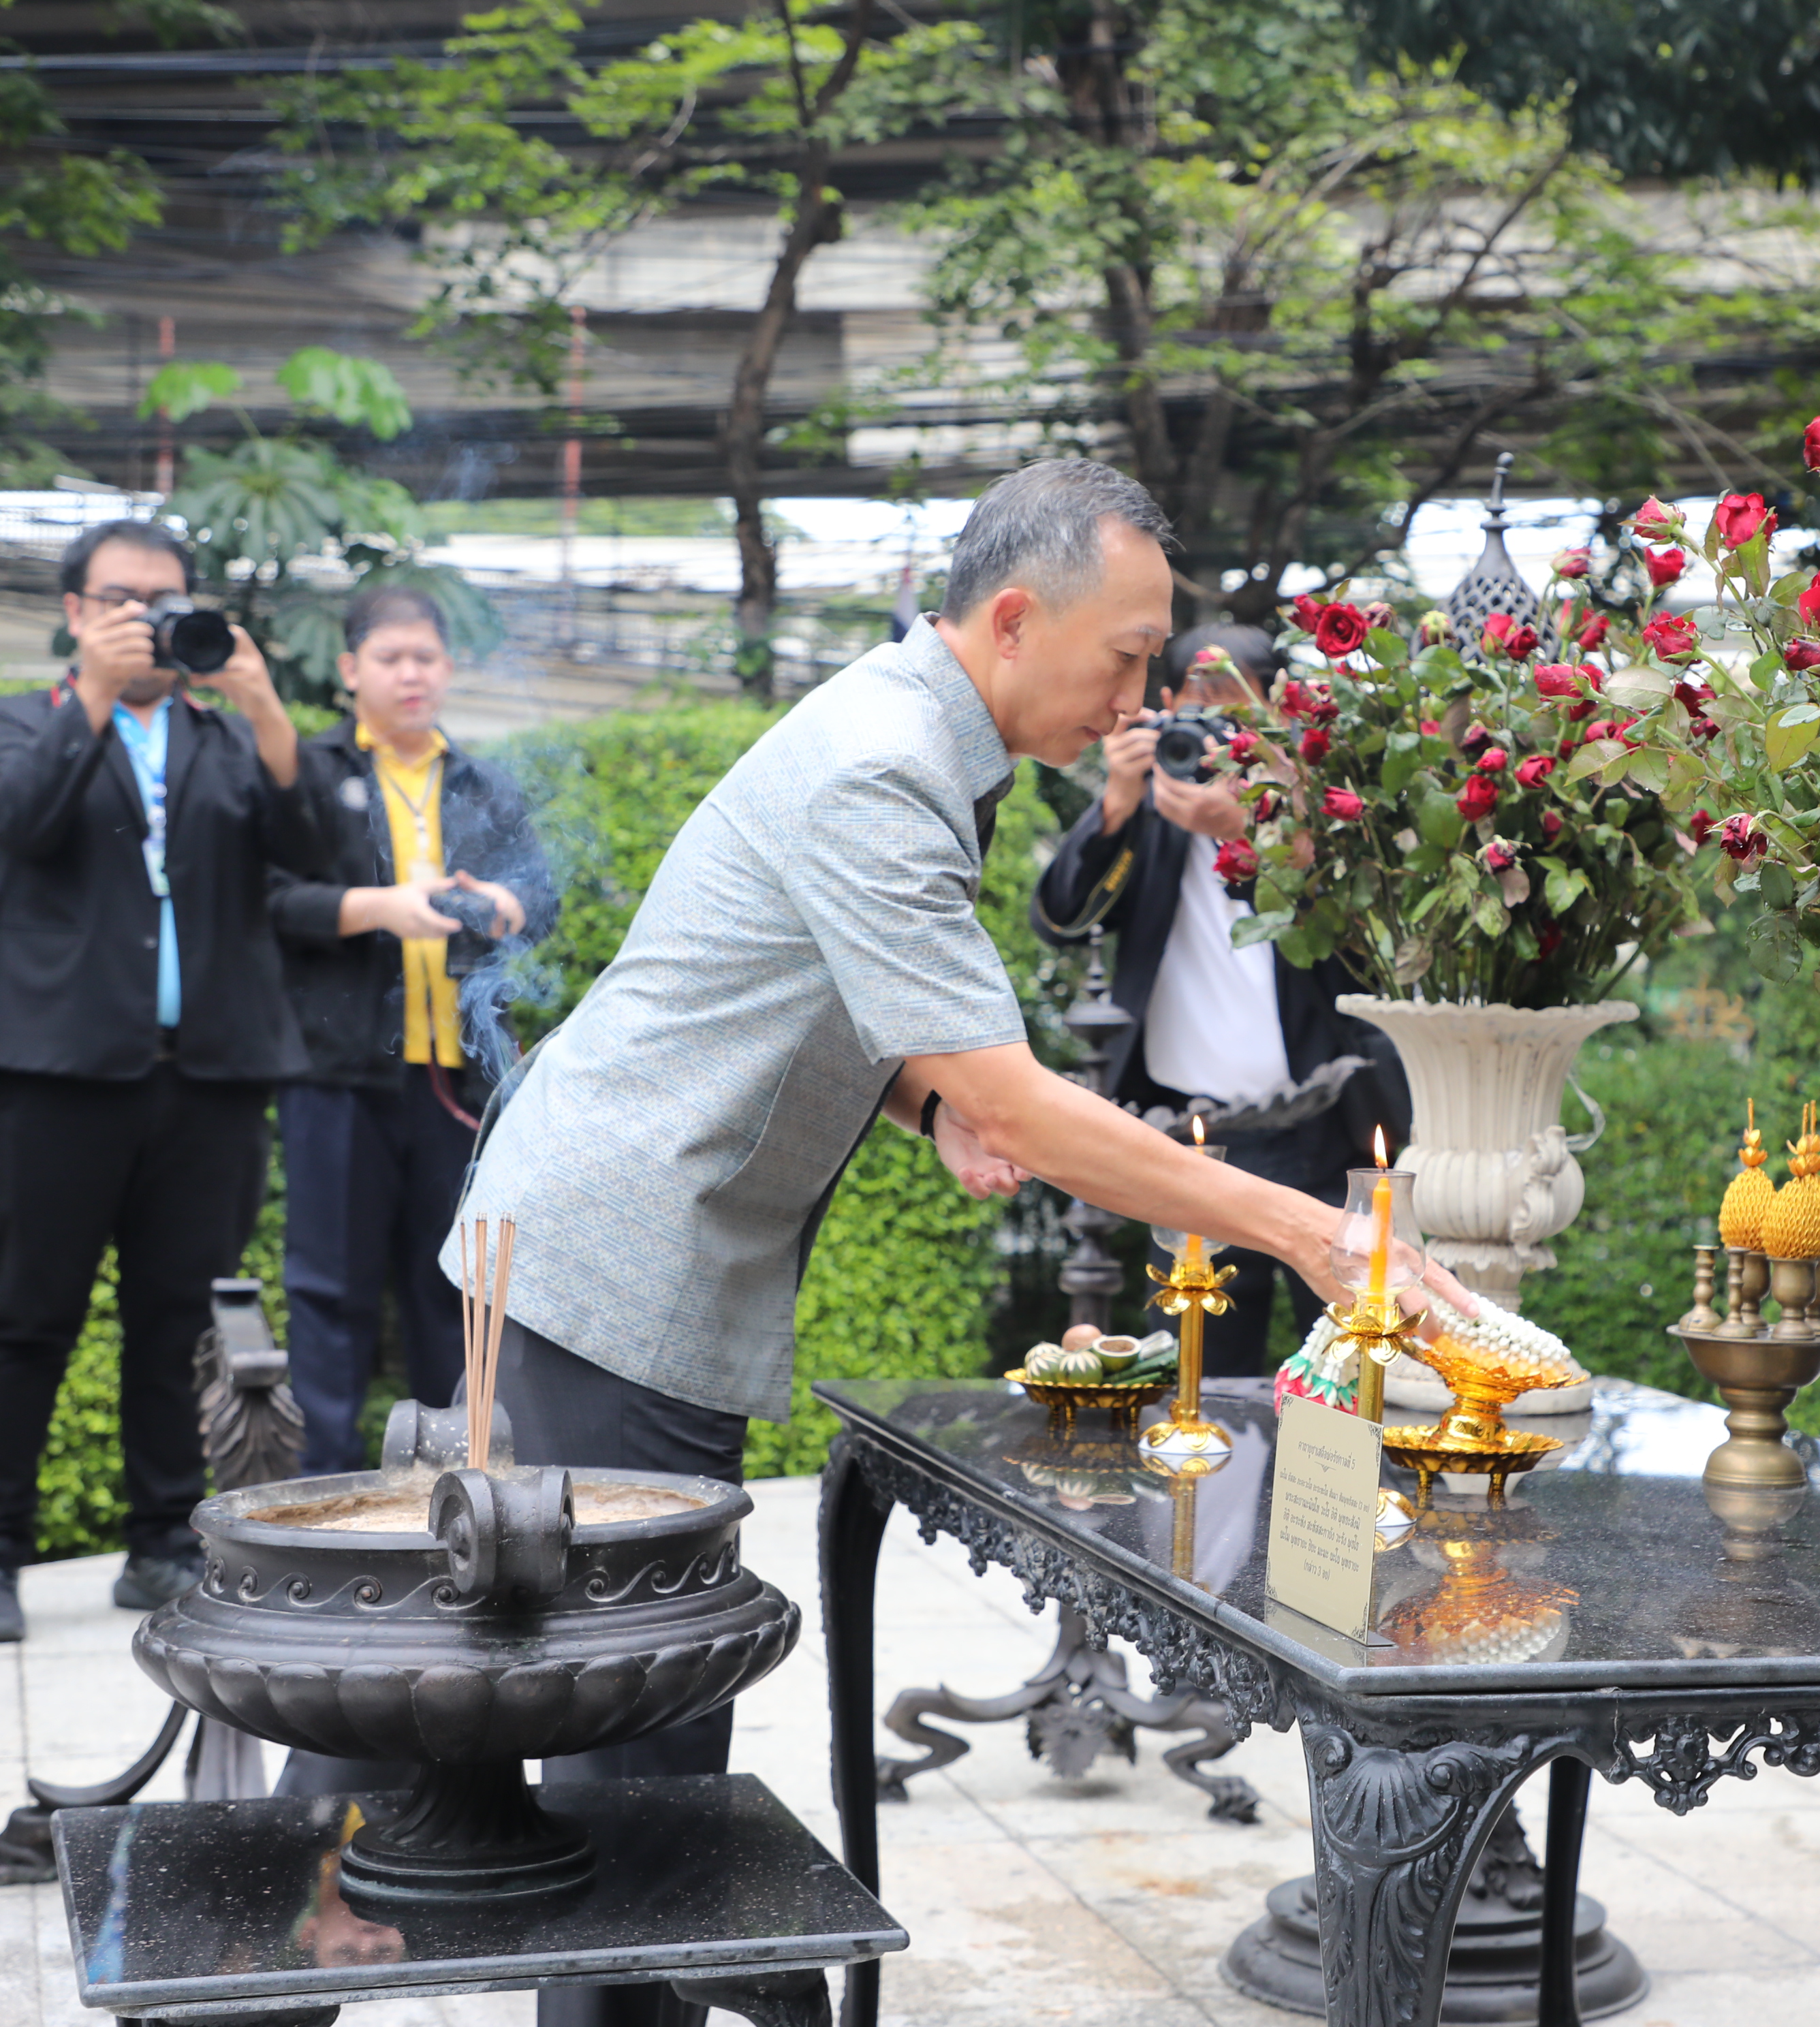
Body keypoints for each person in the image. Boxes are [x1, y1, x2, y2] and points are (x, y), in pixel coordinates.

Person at [401, 460, 1470, 2027]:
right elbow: (1022, 1099)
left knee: (540, 1701)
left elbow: (803, 980)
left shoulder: (926, 740)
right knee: (626, 1741)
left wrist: (923, 1102)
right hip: (607, 1269)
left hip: (587, 1250)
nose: (1140, 699)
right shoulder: (887, 763)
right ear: (1016, 618)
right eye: (1126, 657)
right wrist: (1304, 1229)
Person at [0, 520, 326, 1642]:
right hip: (58, 1075)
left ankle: (163, 1545)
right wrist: (93, 695)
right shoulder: (23, 722)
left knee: (182, 1324)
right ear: (75, 610)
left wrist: (264, 703)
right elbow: (20, 826)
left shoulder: (223, 737)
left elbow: (315, 850)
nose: (146, 619)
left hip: (213, 1078)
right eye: (122, 600)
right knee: (24, 1318)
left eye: (167, 599)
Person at [1032, 623, 1405, 1372]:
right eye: (1199, 716)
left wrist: (1255, 831)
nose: (1214, 743)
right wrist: (1117, 800)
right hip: (1186, 1136)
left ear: (1280, 716)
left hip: (1323, 1125)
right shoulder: (1145, 813)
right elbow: (1061, 920)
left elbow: (1373, 932)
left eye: (1237, 719)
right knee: (1195, 1369)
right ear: (1165, 708)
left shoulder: (1321, 811)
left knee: (1350, 1362)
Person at [269, 582, 555, 1475]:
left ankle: (457, 1493)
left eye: (425, 657)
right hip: (338, 1073)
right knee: (330, 1291)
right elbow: (270, 900)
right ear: (350, 668)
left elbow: (541, 897)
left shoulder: (481, 781)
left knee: (455, 1291)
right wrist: (378, 907)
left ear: (447, 668)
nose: (410, 674)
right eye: (389, 657)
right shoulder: (308, 771)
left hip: (457, 1083)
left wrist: (506, 904)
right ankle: (323, 1495)